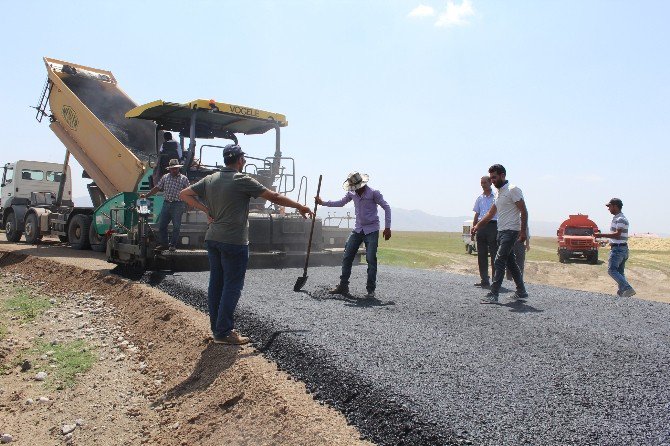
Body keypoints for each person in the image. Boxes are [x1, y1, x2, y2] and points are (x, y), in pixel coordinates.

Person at [179, 144, 313, 345]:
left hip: (213, 238)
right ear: (241, 160)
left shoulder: (210, 179)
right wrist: (299, 206)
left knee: (216, 284)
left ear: (225, 159)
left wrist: (206, 210)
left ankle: (217, 329)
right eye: (243, 159)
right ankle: (224, 332)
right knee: (232, 286)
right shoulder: (241, 179)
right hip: (234, 241)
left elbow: (184, 194)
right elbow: (274, 196)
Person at [316, 172, 391, 298]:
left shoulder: (373, 193)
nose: (354, 189)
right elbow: (340, 203)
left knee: (371, 259)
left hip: (371, 229)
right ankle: (343, 286)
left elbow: (386, 207)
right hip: (358, 229)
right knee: (347, 256)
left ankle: (370, 290)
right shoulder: (352, 193)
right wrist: (322, 203)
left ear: (361, 184)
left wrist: (387, 227)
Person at [471, 164, 528, 304]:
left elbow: (524, 211)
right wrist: (477, 225)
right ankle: (521, 291)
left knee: (499, 260)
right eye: (491, 178)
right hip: (501, 231)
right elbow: (491, 213)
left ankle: (493, 293)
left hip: (511, 231)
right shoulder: (498, 193)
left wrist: (523, 232)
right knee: (511, 262)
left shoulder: (513, 190)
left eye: (494, 177)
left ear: (503, 175)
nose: (492, 181)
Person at [142, 158, 190, 251]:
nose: (174, 170)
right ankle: (164, 244)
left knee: (176, 226)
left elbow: (189, 192)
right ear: (170, 169)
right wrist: (146, 195)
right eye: (172, 168)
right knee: (162, 226)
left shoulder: (184, 179)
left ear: (178, 168)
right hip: (166, 203)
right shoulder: (165, 177)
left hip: (178, 204)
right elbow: (157, 188)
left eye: (175, 168)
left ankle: (172, 245)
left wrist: (189, 203)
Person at [595, 198, 635, 297]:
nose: (608, 209)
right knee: (620, 272)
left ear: (615, 206)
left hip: (618, 249)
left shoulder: (620, 219)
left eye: (610, 206)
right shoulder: (618, 218)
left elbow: (617, 234)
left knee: (612, 270)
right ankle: (622, 293)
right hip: (622, 248)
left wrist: (600, 235)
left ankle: (627, 288)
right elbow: (618, 236)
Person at [472, 175, 498, 288]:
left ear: (490, 183)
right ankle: (484, 280)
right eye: (481, 183)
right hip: (481, 227)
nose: (482, 185)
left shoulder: (496, 197)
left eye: (484, 183)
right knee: (481, 254)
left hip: (493, 226)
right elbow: (477, 214)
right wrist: (474, 228)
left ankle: (496, 281)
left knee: (494, 254)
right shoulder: (479, 198)